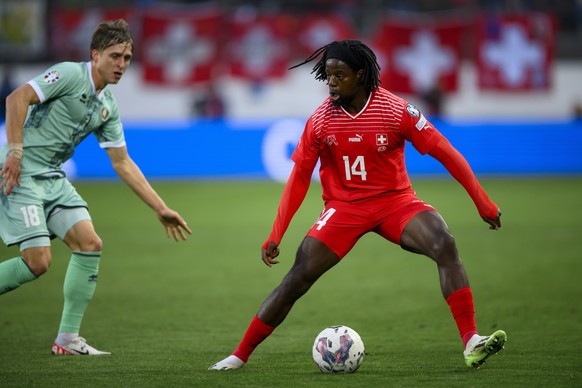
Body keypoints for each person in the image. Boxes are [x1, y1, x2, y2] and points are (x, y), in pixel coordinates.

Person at [209, 40, 506, 371]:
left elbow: (446, 152)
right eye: (328, 75)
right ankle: (239, 355)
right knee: (297, 277)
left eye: (340, 75)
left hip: (396, 202)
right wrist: (276, 233)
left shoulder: (396, 111)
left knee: (443, 244)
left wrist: (483, 202)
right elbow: (299, 179)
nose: (332, 82)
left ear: (360, 74)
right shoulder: (320, 120)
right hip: (344, 208)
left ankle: (471, 341)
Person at [0, 19, 192, 356]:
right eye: (115, 56)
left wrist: (160, 207)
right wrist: (15, 150)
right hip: (22, 173)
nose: (121, 65)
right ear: (96, 55)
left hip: (53, 178)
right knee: (38, 262)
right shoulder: (70, 74)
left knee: (90, 244)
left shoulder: (108, 107)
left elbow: (122, 162)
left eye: (128, 58)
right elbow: (17, 98)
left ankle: (67, 340)